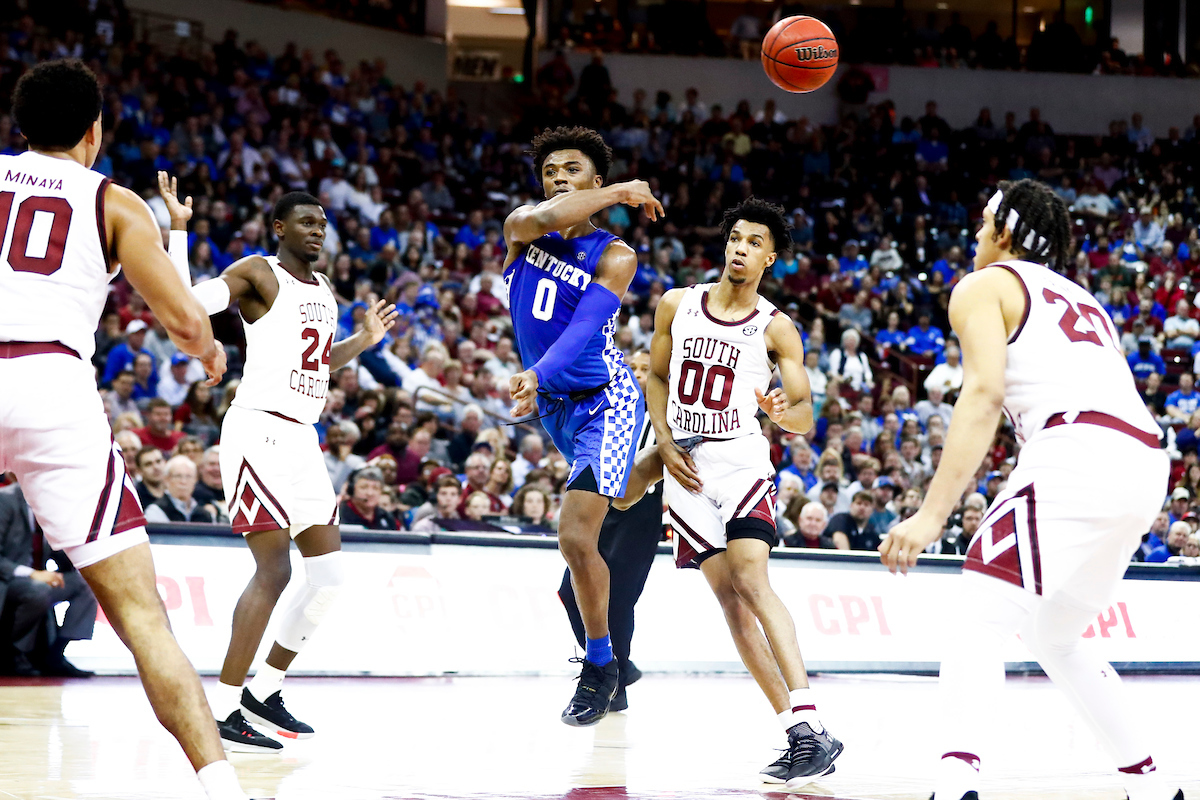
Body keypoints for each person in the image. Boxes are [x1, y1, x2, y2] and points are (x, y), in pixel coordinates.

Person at [878, 180, 1178, 800]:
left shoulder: (984, 285)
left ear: (1007, 232)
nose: (976, 234)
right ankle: (1150, 784)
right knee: (1053, 635)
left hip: (1077, 451)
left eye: (985, 223)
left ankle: (956, 785)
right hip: (1146, 461)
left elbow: (983, 393)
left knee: (976, 618)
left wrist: (932, 515)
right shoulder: (1084, 298)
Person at [0, 60, 245, 799]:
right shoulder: (115, 201)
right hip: (52, 387)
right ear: (94, 132)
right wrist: (205, 354)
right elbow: (183, 319)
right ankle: (219, 786)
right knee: (142, 616)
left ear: (18, 130)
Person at [158, 176, 397, 751]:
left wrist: (364, 341)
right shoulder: (256, 273)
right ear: (280, 228)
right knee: (275, 570)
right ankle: (221, 708)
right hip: (258, 430)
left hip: (301, 439)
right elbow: (188, 301)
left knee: (330, 577)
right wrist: (180, 229)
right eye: (307, 223)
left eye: (323, 224)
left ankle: (266, 688)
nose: (318, 231)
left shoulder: (323, 289)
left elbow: (318, 365)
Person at [619, 198, 840, 786]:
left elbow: (804, 418)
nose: (739, 248)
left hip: (740, 464)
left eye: (753, 242)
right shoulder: (677, 303)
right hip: (684, 467)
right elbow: (659, 377)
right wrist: (662, 441)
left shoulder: (776, 326)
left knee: (751, 581)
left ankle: (810, 714)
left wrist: (778, 411)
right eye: (735, 238)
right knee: (731, 609)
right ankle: (804, 737)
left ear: (770, 257)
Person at [501, 126, 659, 727]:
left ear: (595, 182)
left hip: (608, 398)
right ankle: (655, 469)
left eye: (573, 169)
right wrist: (621, 189)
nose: (558, 177)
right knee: (607, 506)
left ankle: (600, 666)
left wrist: (536, 372)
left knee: (574, 535)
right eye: (550, 170)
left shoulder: (616, 255)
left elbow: (583, 330)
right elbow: (549, 213)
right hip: (556, 404)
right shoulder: (521, 226)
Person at [559, 349, 661, 712]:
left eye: (645, 369)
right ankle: (617, 666)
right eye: (630, 367)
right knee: (569, 590)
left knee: (619, 598)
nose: (635, 373)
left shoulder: (663, 418)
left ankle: (614, 688)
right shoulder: (608, 414)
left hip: (641, 510)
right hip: (602, 505)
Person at [0, 477, 97, 677]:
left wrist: (83, 559)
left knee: (87, 584)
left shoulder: (52, 506)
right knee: (38, 590)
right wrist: (33, 574)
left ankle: (57, 654)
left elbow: (58, 551)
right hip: (7, 580)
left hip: (36, 579)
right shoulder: (5, 500)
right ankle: (14, 653)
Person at [144, 456, 215, 524]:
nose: (183, 481)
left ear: (195, 480)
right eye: (178, 476)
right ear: (166, 479)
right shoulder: (156, 511)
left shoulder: (205, 513)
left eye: (188, 476)